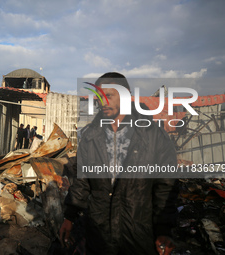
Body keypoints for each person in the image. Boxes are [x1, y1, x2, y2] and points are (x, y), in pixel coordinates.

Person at [59, 72, 178, 255]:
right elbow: (82, 182)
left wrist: (164, 230)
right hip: (100, 235)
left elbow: (165, 185)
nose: (103, 102)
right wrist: (69, 217)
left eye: (109, 96)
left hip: (139, 233)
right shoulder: (90, 137)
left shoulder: (153, 136)